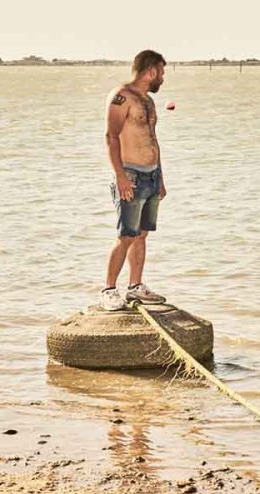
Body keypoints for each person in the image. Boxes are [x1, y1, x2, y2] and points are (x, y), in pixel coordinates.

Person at [100, 49, 168, 310]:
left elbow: (153, 139)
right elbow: (111, 137)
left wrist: (160, 177)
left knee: (141, 234)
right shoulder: (121, 97)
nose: (162, 78)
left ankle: (135, 287)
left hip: (151, 175)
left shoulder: (148, 101)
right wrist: (120, 177)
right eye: (161, 72)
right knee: (126, 235)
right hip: (130, 174)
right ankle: (108, 290)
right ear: (150, 71)